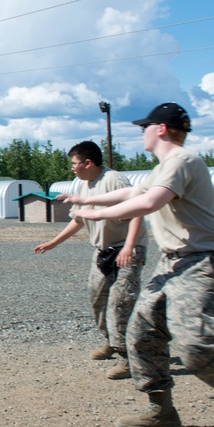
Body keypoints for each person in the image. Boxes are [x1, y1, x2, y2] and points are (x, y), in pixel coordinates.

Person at [62, 103, 214, 427]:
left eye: (145, 127)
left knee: (196, 346)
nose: (142, 133)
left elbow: (149, 203)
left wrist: (91, 211)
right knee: (141, 335)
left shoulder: (183, 161)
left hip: (205, 263)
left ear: (160, 129)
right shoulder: (165, 167)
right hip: (172, 264)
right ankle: (161, 410)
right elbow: (134, 193)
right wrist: (84, 197)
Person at [34, 141, 147, 380]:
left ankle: (128, 357)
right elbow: (79, 219)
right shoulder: (81, 185)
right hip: (102, 251)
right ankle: (112, 342)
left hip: (127, 250)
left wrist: (128, 247)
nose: (72, 168)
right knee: (97, 298)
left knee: (121, 302)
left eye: (75, 163)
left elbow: (138, 211)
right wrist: (53, 242)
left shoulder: (114, 180)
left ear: (88, 162)